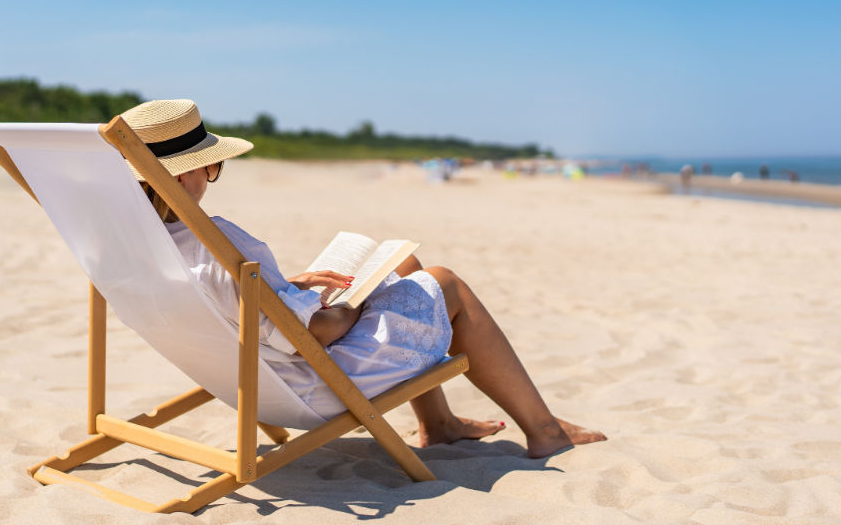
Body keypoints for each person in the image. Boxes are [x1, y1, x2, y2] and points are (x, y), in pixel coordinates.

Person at [122, 99, 606, 458]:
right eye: (213, 165)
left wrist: (284, 286)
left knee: (407, 270)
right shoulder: (218, 244)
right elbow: (317, 333)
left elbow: (219, 300)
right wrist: (354, 302)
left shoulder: (137, 245)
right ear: (199, 168)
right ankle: (544, 430)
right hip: (310, 383)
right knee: (445, 281)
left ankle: (438, 424)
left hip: (249, 375)